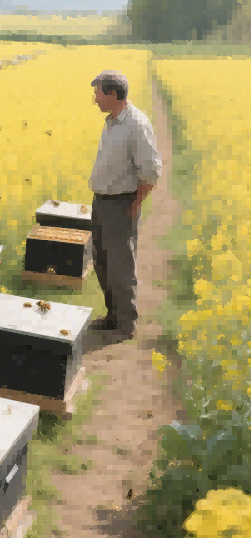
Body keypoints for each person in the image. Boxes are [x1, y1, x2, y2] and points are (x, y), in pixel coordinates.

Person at [88, 71, 162, 341]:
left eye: (97, 93)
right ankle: (112, 316)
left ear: (112, 94)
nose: (94, 99)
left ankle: (125, 323)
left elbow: (152, 172)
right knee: (103, 262)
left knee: (120, 263)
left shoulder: (136, 124)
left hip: (121, 204)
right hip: (102, 202)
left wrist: (135, 203)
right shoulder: (112, 121)